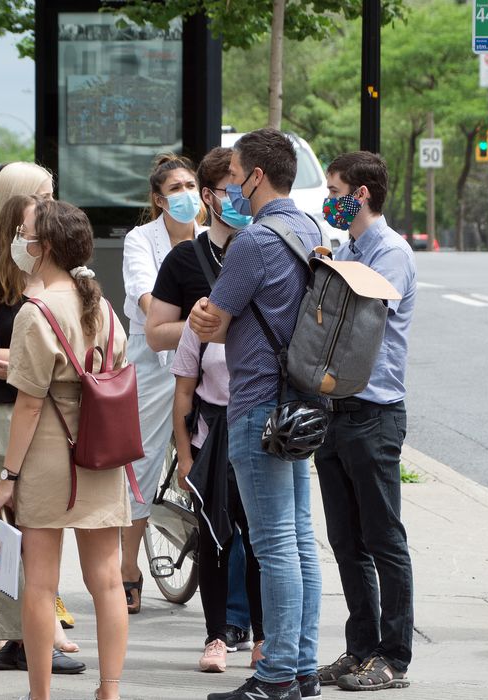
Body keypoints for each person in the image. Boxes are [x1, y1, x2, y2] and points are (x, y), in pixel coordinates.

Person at [190, 128, 324, 700]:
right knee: (298, 542)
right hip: (300, 404)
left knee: (273, 546)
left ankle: (274, 677)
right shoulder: (310, 230)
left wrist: (209, 312)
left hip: (257, 406)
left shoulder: (254, 242)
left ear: (256, 177)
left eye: (236, 176)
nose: (231, 189)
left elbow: (212, 321)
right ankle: (303, 667)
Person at [0, 196, 130, 700]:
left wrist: (7, 479)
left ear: (43, 248)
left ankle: (40, 693)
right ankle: (109, 689)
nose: (19, 241)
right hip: (102, 452)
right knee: (107, 581)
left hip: (49, 454)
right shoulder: (105, 308)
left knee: (41, 583)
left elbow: (28, 405)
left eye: (24, 233)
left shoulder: (36, 310)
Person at [0, 162, 82, 672]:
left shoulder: (53, 268)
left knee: (40, 524)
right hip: (3, 406)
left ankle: (34, 629)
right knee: (6, 521)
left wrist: (20, 358)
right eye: (44, 198)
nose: (51, 208)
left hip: (50, 411)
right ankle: (16, 635)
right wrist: (28, 358)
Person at [153, 146, 263, 673]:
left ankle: (262, 635)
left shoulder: (263, 250)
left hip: (257, 414)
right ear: (209, 197)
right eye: (227, 189)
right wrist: (205, 326)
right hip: (209, 421)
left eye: (244, 188)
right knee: (213, 532)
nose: (238, 199)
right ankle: (216, 634)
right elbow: (156, 332)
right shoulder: (183, 261)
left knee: (261, 533)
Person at [312, 152, 416, 692]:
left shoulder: (390, 253)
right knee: (346, 541)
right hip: (334, 411)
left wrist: (325, 277)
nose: (330, 198)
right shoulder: (349, 249)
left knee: (384, 541)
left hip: (373, 414)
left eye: (336, 189)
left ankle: (394, 658)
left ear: (363, 194)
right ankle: (360, 650)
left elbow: (357, 317)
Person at [120, 154, 203, 613]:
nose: (187, 194)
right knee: (144, 460)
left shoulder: (213, 240)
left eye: (192, 185)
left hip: (205, 360)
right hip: (153, 361)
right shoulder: (141, 240)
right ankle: (128, 568)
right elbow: (143, 293)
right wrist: (178, 315)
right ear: (158, 199)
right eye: (176, 187)